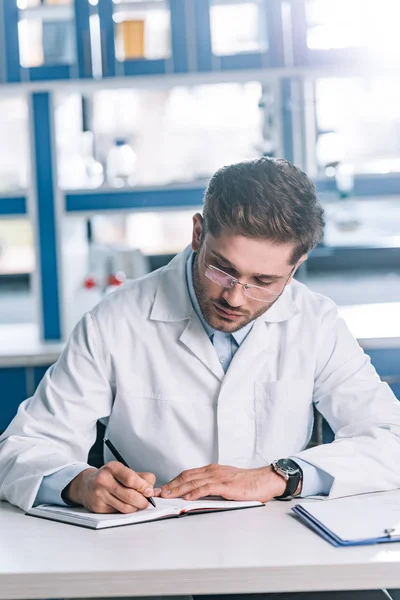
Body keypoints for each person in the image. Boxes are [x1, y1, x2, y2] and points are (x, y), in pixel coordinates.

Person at [1, 158, 399, 600]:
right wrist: (77, 483)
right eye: (222, 269)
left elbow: (391, 437)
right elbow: (19, 449)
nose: (234, 296)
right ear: (197, 233)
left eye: (263, 281)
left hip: (283, 558)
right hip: (149, 558)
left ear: (297, 265)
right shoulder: (116, 320)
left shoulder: (315, 322)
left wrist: (281, 475)